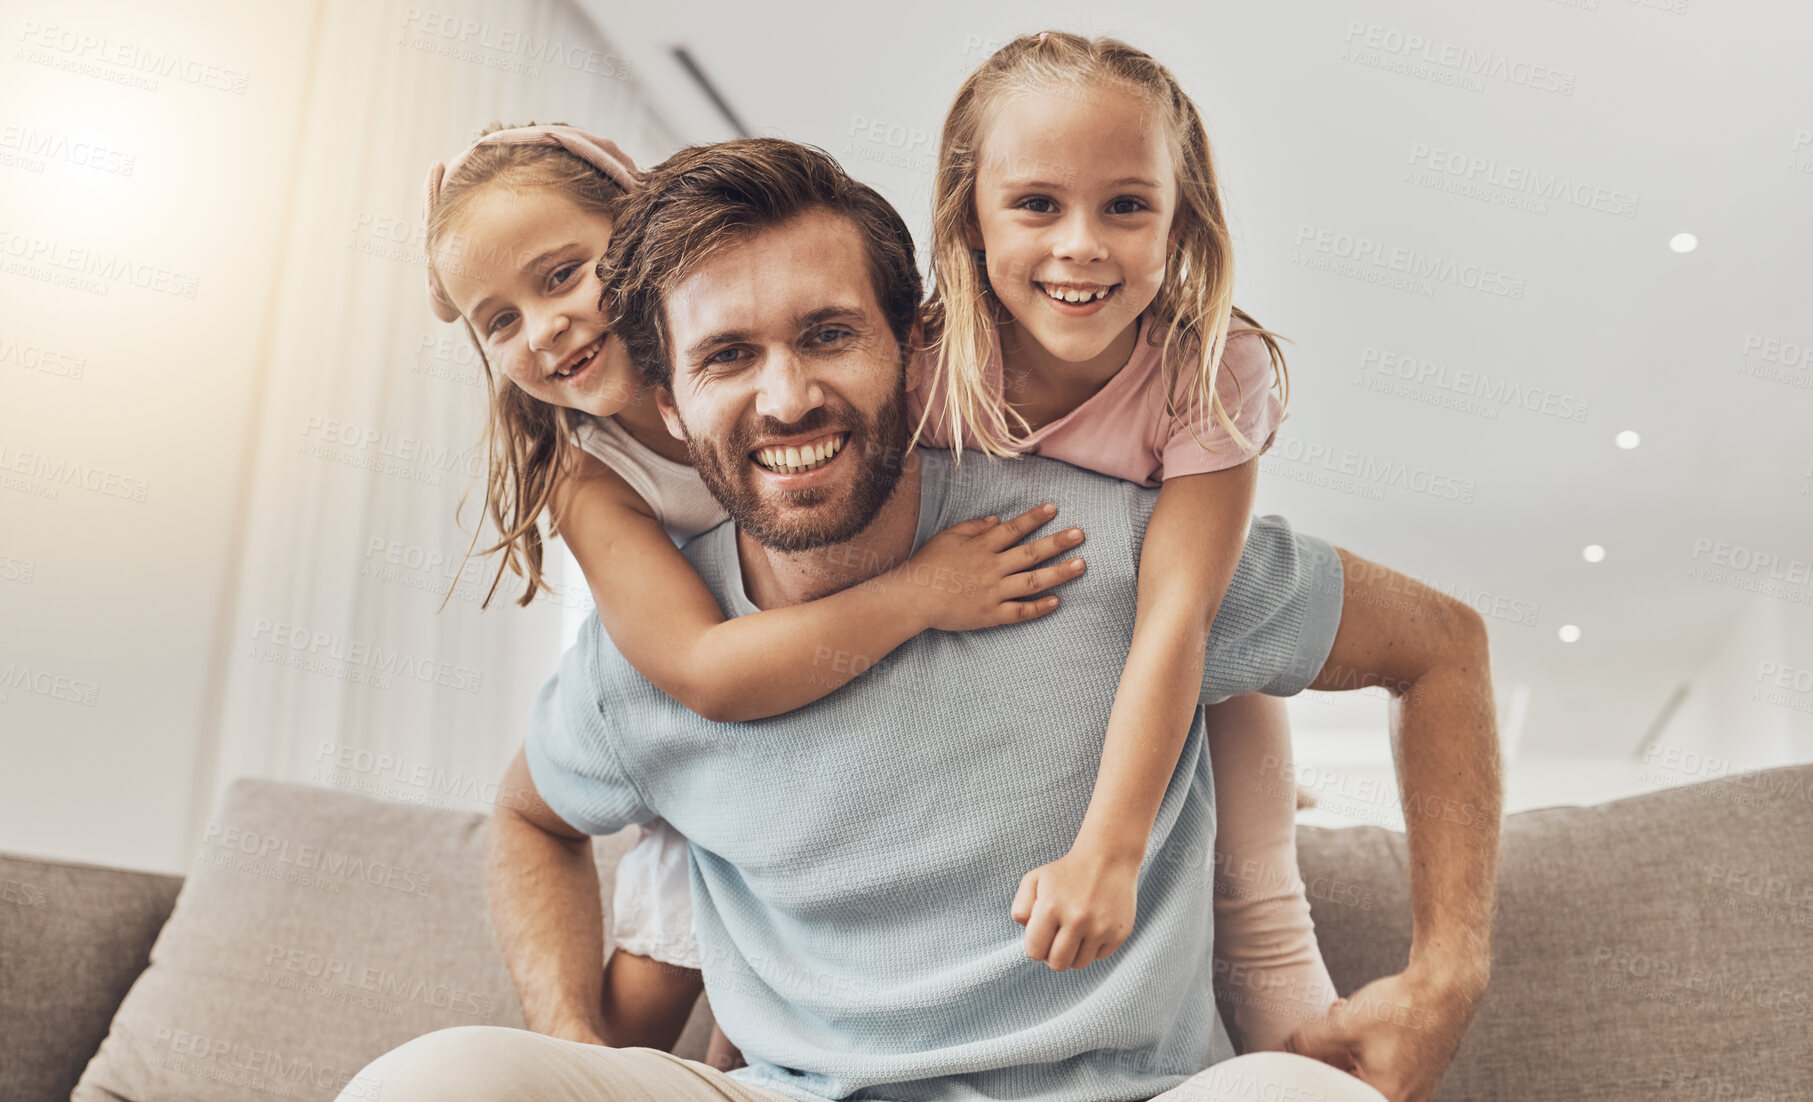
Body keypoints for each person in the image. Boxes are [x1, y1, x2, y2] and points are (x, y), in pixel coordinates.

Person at [353, 137, 1501, 1102]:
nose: (787, 396)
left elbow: (1442, 647)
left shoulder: (1106, 541)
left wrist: (1448, 969)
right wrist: (571, 1037)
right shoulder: (646, 621)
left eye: (827, 333)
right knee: (433, 1082)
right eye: (726, 356)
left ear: (915, 343)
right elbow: (528, 816)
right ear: (667, 398)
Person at [421, 123, 1087, 1070]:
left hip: (839, 727)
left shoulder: (812, 363)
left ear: (650, 240)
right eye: (498, 320)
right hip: (715, 735)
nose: (545, 327)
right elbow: (704, 672)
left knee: (789, 1015)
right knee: (638, 1023)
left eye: (563, 274)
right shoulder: (586, 471)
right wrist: (924, 593)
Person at [910, 31, 1332, 1048]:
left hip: (1183, 667)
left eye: (1127, 206)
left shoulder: (1211, 368)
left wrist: (1111, 848)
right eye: (1036, 204)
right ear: (970, 214)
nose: (1081, 245)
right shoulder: (920, 365)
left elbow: (1179, 609)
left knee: (1250, 818)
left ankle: (1299, 1024)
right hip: (1006, 670)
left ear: (1181, 221)